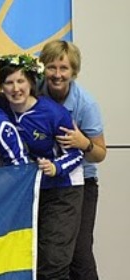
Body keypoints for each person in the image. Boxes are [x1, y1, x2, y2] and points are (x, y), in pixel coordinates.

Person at [0, 53, 85, 279]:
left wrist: (56, 167)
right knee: (27, 256)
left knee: (53, 259)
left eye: (20, 81)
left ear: (31, 82)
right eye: (9, 83)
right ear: (1, 86)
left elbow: (76, 154)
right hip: (26, 192)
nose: (15, 89)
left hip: (62, 189)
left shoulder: (53, 113)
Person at [39, 40, 107, 280]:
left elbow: (100, 153)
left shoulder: (85, 104)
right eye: (51, 67)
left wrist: (83, 143)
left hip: (81, 183)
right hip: (45, 180)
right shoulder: (33, 92)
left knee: (79, 253)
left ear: (73, 72)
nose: (57, 75)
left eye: (64, 68)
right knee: (48, 254)